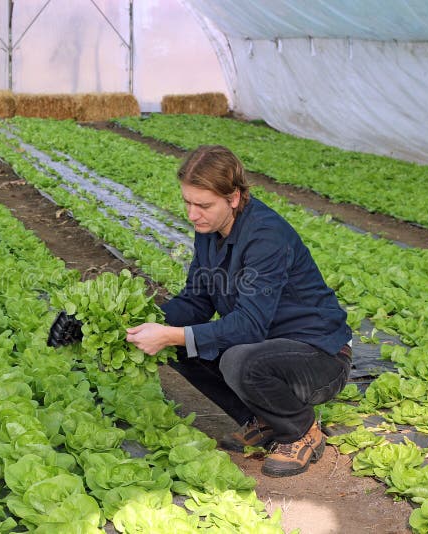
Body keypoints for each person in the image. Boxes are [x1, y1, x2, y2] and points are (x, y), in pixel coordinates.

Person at [126, 145, 352, 477]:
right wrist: (140, 324)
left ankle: (301, 430)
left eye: (203, 205)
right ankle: (261, 420)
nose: (192, 214)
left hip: (319, 357)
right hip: (269, 350)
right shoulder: (210, 230)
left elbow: (249, 327)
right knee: (180, 346)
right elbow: (195, 302)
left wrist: (171, 334)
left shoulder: (265, 236)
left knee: (236, 360)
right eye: (187, 202)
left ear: (233, 197)